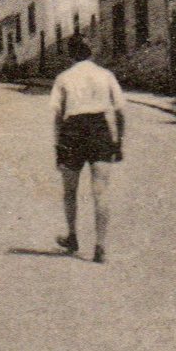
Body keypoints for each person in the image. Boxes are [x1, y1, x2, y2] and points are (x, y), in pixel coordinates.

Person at [49, 34, 125, 263]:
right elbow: (120, 112)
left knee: (69, 190)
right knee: (101, 191)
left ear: (70, 54)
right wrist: (118, 141)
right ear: (90, 52)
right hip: (99, 129)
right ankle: (100, 246)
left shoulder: (63, 78)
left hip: (72, 130)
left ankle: (72, 236)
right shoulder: (105, 75)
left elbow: (56, 116)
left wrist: (58, 146)